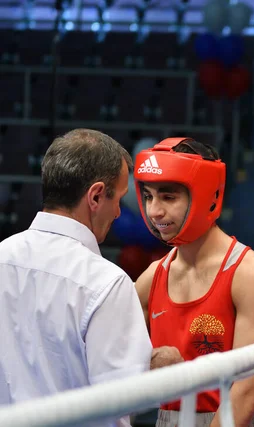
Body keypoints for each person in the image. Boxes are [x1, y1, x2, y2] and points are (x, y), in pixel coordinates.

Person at [0, 129, 152, 426]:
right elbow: (120, 400)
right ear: (95, 196)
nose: (120, 213)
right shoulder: (106, 282)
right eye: (119, 198)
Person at [133, 137, 254, 427]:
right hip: (168, 419)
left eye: (168, 197)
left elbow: (247, 390)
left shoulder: (251, 274)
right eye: (149, 196)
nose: (154, 211)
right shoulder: (152, 277)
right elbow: (112, 363)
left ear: (206, 195)